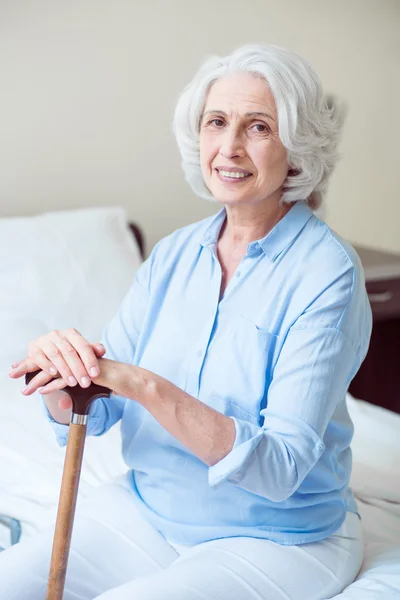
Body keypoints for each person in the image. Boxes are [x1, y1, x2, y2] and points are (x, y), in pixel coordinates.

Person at [2, 43, 372, 600]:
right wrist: (62, 376)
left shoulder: (327, 274)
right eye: (216, 122)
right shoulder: (174, 256)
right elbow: (97, 410)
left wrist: (143, 384)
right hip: (149, 510)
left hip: (278, 538)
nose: (229, 147)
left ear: (295, 147)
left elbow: (280, 468)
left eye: (259, 127)